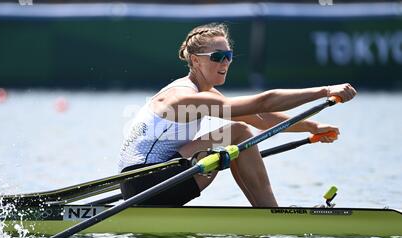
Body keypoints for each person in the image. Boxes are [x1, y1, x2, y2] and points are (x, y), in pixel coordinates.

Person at [118, 23, 357, 207]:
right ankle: (271, 212)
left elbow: (260, 116)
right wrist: (325, 91)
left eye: (228, 56)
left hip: (143, 184)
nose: (225, 62)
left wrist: (311, 127)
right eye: (217, 57)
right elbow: (264, 102)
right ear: (195, 61)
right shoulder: (183, 97)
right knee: (239, 132)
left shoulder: (205, 94)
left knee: (239, 131)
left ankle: (267, 212)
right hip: (147, 183)